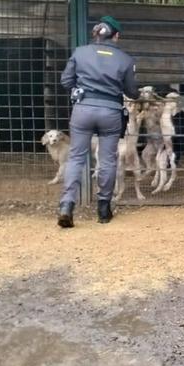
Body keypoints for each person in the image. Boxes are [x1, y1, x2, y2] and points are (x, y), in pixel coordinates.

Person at [58, 15, 139, 227]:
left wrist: (80, 89)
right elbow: (132, 92)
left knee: (76, 157)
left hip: (83, 109)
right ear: (117, 36)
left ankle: (67, 205)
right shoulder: (125, 59)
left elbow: (66, 81)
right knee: (107, 160)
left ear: (96, 33)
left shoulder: (80, 52)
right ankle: (103, 209)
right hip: (110, 112)